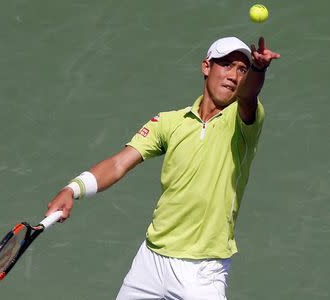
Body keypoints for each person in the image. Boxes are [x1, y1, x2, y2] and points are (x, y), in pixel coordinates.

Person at [45, 36, 280, 300]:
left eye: (242, 69)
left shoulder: (243, 121)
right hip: (151, 260)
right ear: (206, 67)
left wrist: (259, 69)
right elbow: (118, 163)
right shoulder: (168, 122)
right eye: (226, 65)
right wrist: (72, 189)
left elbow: (249, 95)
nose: (234, 75)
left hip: (201, 270)